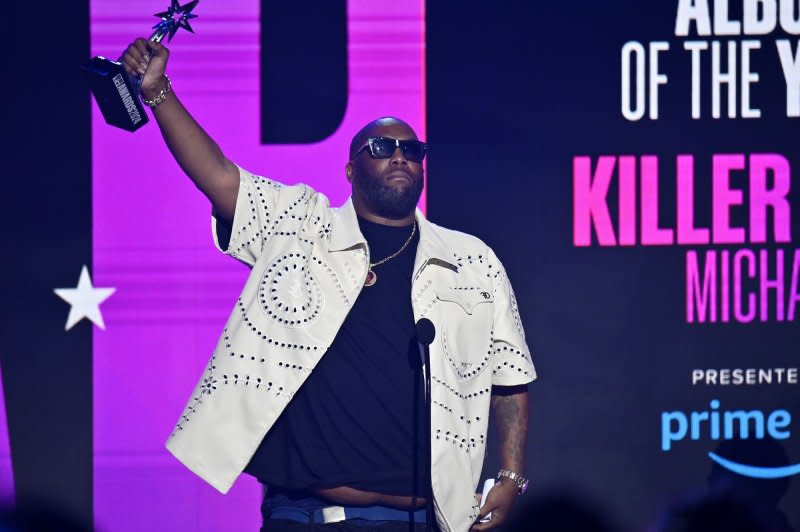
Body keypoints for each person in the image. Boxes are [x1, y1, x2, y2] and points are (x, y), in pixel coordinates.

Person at [121, 38, 537, 532]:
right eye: (382, 147)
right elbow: (218, 177)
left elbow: (509, 378)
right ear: (350, 168)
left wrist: (511, 474)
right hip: (309, 518)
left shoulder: (471, 260)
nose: (399, 156)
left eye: (412, 149)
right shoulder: (300, 226)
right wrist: (158, 91)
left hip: (424, 520)